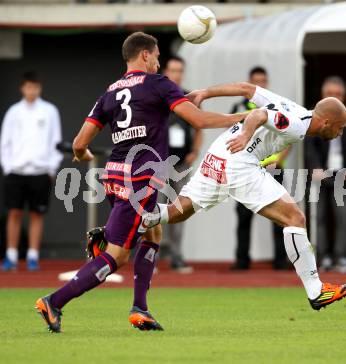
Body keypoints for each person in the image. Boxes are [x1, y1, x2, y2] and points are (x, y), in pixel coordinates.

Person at [34, 32, 243, 333]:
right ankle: (54, 301)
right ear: (145, 55)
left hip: (114, 175)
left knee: (153, 231)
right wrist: (237, 121)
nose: (158, 63)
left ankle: (140, 308)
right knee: (117, 255)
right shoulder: (158, 85)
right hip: (140, 179)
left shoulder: (110, 91)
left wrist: (84, 153)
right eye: (157, 56)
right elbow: (196, 119)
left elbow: (80, 143)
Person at [143, 82, 346, 311]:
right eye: (340, 128)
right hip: (239, 162)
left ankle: (127, 222)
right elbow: (258, 114)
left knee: (177, 212)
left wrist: (205, 92)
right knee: (295, 219)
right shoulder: (296, 124)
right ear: (326, 122)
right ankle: (317, 291)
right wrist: (246, 134)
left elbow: (246, 88)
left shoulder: (293, 108)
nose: (340, 133)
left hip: (218, 154)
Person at [0, 71, 63, 272]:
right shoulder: (13, 112)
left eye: (35, 87)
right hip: (16, 171)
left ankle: (32, 256)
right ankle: (10, 256)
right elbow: (5, 142)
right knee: (14, 213)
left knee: (37, 215)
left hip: (40, 172)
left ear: (40, 88)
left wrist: (51, 168)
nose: (31, 91)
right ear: (22, 88)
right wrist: (8, 167)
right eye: (28, 87)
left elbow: (57, 141)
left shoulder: (50, 111)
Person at [230, 66, 288, 271]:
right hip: (245, 170)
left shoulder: (278, 107)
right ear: (251, 84)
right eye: (257, 82)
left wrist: (278, 160)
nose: (261, 85)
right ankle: (241, 260)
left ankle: (281, 260)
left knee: (280, 215)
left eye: (263, 81)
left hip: (273, 168)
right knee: (243, 215)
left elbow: (287, 138)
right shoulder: (238, 106)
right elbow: (230, 138)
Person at [306, 76, 346, 273]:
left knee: (343, 216)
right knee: (318, 217)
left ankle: (341, 257)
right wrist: (315, 167)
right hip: (320, 172)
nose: (334, 97)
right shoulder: (314, 115)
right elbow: (309, 145)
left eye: (337, 94)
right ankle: (322, 256)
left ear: (343, 96)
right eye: (330, 94)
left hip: (342, 174)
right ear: (323, 96)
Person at [161, 56, 201, 273]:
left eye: (179, 70)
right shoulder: (157, 95)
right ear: (166, 71)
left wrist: (195, 151)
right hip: (158, 162)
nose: (176, 74)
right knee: (152, 208)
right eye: (173, 70)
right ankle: (151, 255)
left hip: (181, 163)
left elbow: (199, 127)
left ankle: (176, 255)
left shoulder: (189, 97)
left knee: (179, 208)